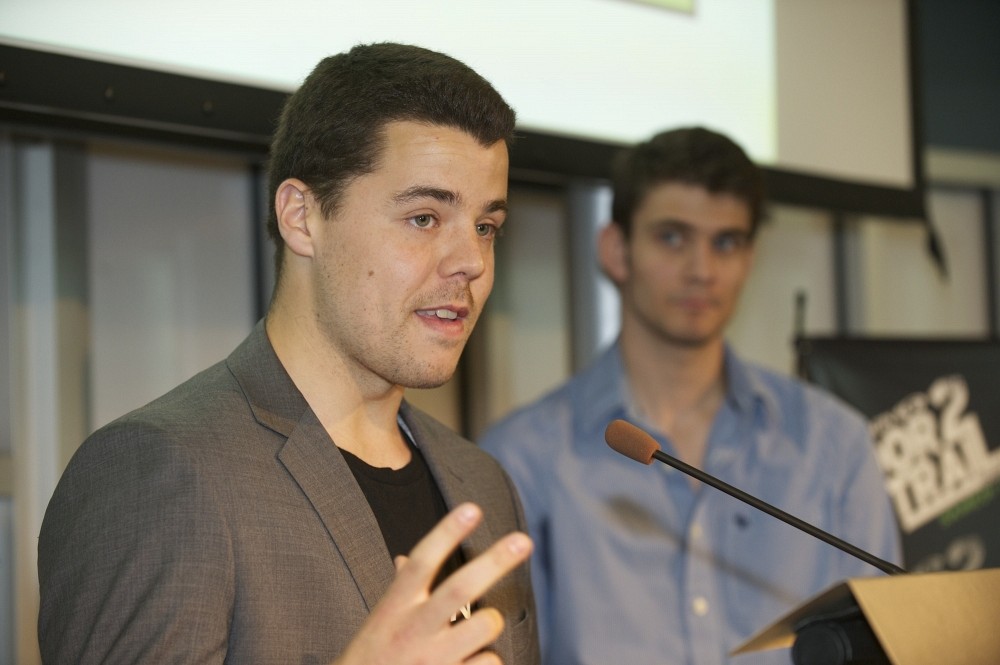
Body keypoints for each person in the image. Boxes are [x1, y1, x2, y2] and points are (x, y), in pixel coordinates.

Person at [38, 42, 540, 665]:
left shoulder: (484, 484)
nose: (471, 262)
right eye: (424, 218)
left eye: (486, 227)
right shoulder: (161, 469)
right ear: (302, 217)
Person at [479, 127, 901, 664]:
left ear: (750, 259)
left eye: (726, 242)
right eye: (673, 237)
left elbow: (883, 646)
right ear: (616, 250)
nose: (702, 270)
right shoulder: (524, 457)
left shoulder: (835, 445)